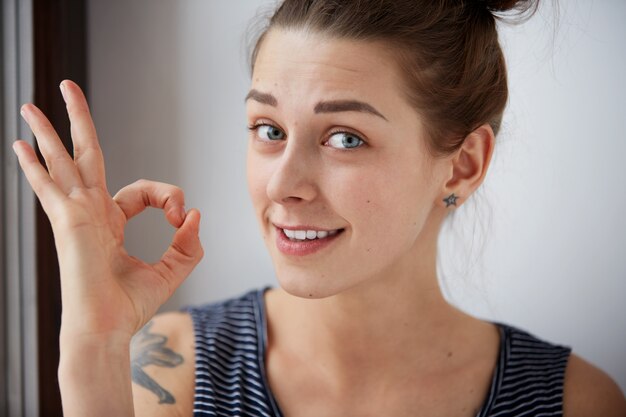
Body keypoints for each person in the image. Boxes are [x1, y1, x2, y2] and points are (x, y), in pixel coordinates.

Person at [12, 0, 626, 416]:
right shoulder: (169, 380)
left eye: (345, 138)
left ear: (462, 164)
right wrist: (94, 345)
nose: (283, 185)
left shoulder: (578, 403)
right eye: (268, 128)